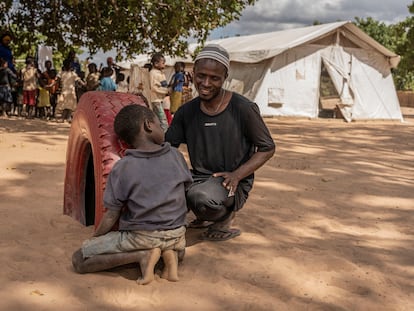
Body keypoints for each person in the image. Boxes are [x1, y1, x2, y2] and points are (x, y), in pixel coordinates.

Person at [72, 104, 193, 284]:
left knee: (79, 259)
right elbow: (186, 192)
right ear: (148, 125)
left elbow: (112, 214)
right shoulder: (176, 156)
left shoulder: (123, 167)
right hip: (176, 234)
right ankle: (171, 255)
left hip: (142, 236)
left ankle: (142, 256)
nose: (162, 128)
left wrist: (96, 239)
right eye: (160, 124)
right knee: (175, 246)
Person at [165, 44, 275, 241]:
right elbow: (168, 146)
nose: (206, 83)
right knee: (160, 187)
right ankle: (201, 214)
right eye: (201, 76)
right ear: (193, 74)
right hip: (198, 178)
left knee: (200, 197)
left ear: (225, 77)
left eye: (214, 78)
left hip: (230, 181)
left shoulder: (243, 108)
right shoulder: (186, 112)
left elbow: (267, 147)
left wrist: (238, 174)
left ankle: (224, 218)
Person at [149, 53, 169, 131]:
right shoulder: (153, 73)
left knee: (159, 119)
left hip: (159, 100)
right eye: (163, 62)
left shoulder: (159, 73)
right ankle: (165, 137)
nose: (164, 64)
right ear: (156, 63)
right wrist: (166, 91)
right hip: (155, 100)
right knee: (162, 120)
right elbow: (154, 87)